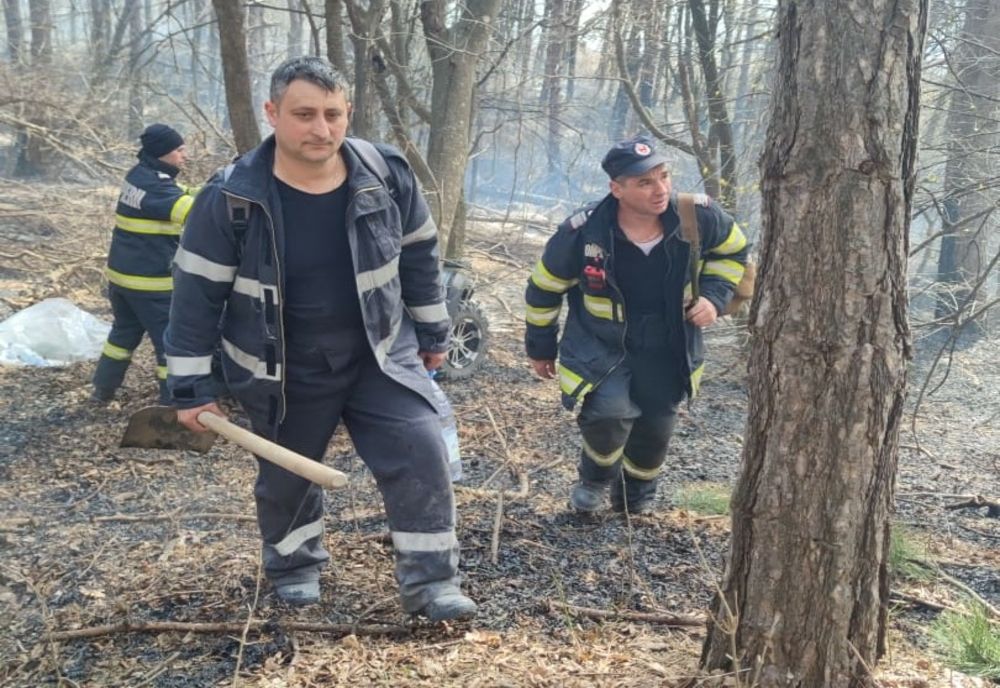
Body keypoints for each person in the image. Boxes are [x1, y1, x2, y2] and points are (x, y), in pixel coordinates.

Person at [163, 56, 476, 621]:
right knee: (288, 472)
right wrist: (189, 386)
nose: (321, 128)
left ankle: (433, 585)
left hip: (380, 353)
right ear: (272, 113)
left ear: (348, 112)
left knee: (422, 449)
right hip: (283, 364)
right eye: (304, 114)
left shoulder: (385, 174)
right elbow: (194, 296)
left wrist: (434, 330)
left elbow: (420, 256)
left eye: (333, 114)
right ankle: (294, 566)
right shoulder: (231, 198)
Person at [524, 135, 749, 514]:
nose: (660, 189)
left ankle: (637, 494)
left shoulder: (698, 216)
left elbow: (733, 252)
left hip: (669, 343)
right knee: (609, 413)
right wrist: (540, 348)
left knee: (657, 423)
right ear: (617, 189)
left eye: (663, 176)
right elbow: (544, 288)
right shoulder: (583, 232)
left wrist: (713, 297)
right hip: (603, 344)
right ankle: (594, 482)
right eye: (645, 182)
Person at [92, 124, 196, 404]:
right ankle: (171, 403)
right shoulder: (156, 187)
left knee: (122, 336)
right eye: (179, 150)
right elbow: (193, 213)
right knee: (169, 344)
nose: (185, 155)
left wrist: (216, 186)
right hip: (151, 284)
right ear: (163, 153)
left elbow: (184, 192)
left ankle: (103, 389)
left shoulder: (141, 176)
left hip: (123, 280)